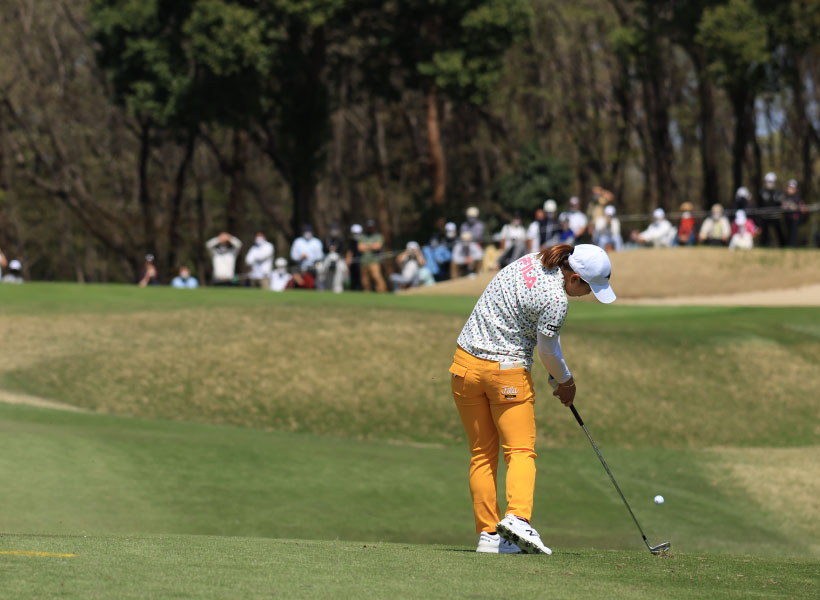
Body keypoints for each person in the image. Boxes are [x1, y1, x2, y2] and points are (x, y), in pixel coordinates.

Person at [450, 243, 616, 554]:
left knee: (482, 454)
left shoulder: (534, 260)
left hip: (464, 367)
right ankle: (517, 518)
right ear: (574, 278)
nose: (588, 295)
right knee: (520, 450)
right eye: (589, 288)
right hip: (506, 374)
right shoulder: (557, 300)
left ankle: (489, 536)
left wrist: (556, 376)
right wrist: (566, 382)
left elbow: (537, 335)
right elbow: (548, 352)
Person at [358, 219, 387, 292]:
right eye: (369, 227)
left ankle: (382, 292)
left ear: (374, 227)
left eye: (371, 227)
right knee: (365, 280)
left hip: (374, 261)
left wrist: (366, 246)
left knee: (376, 277)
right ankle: (367, 294)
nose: (370, 228)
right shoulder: (363, 236)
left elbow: (378, 246)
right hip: (364, 261)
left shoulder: (378, 236)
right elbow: (360, 248)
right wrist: (372, 245)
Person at [758, 172, 784, 247]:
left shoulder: (778, 193)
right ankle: (763, 245)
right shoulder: (762, 192)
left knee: (779, 232)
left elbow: (781, 204)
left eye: (771, 182)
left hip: (775, 216)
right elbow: (759, 204)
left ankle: (783, 245)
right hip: (765, 216)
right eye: (768, 182)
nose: (770, 184)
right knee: (764, 233)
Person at [782, 179, 806, 247]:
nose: (791, 189)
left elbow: (803, 208)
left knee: (794, 233)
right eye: (790, 188)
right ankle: (788, 245)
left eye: (792, 188)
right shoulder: (785, 197)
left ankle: (793, 245)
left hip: (795, 218)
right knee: (788, 232)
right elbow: (783, 206)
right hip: (787, 217)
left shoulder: (798, 197)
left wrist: (797, 207)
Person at [346, 224, 364, 291]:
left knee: (361, 279)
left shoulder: (363, 240)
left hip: (362, 263)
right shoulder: (351, 241)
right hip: (353, 262)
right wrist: (348, 261)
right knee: (353, 279)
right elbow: (350, 251)